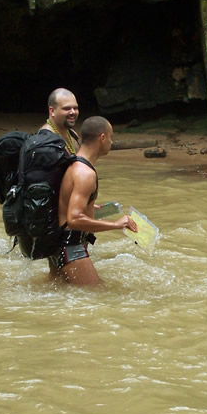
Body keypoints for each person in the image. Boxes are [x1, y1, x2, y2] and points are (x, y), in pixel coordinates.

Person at [49, 116, 137, 285]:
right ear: (102, 138)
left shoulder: (73, 163)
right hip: (71, 247)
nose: (111, 142)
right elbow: (74, 219)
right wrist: (116, 224)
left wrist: (90, 208)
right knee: (100, 294)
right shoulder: (85, 173)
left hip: (58, 245)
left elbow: (67, 205)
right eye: (111, 137)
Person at [41, 88, 80, 154]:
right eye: (67, 108)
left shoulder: (72, 134)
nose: (73, 112)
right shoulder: (45, 141)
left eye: (75, 108)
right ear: (52, 111)